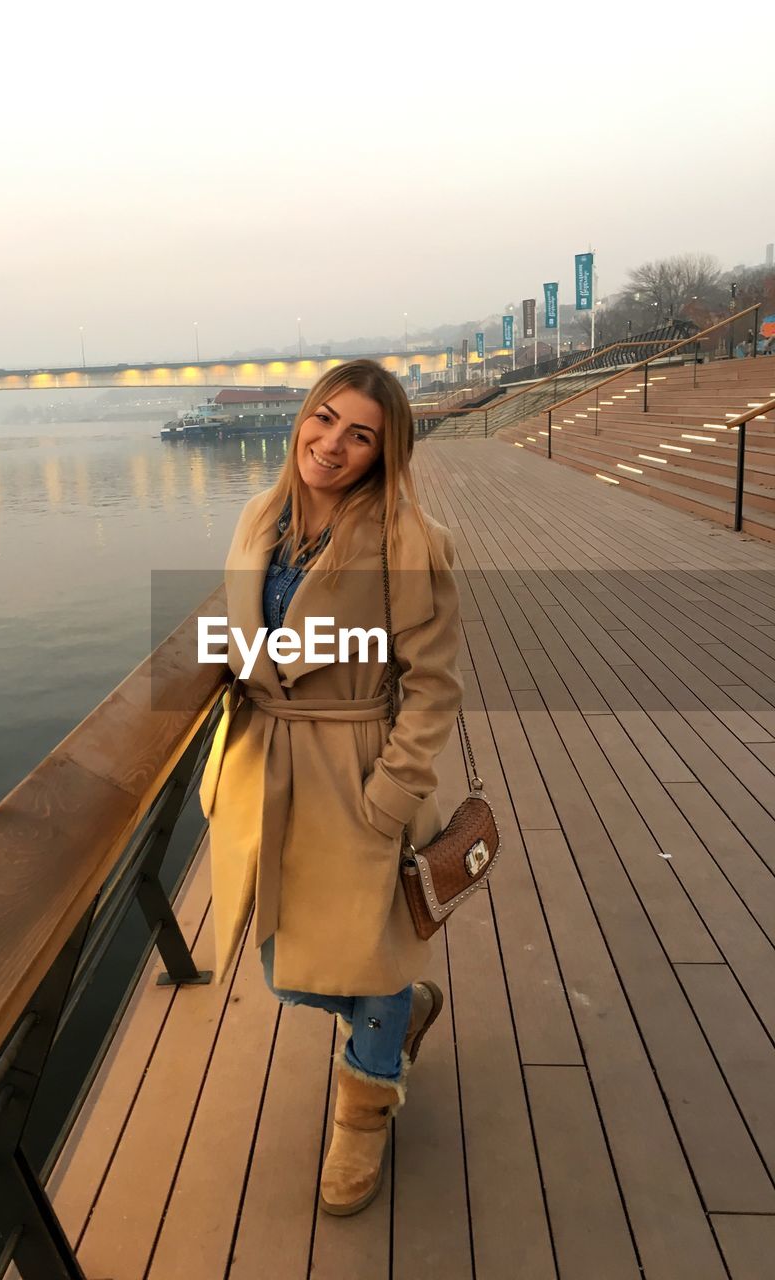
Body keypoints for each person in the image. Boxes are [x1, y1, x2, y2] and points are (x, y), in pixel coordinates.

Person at [198, 358, 464, 1217]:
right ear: (300, 418)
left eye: (361, 435)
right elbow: (242, 623)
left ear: (387, 454)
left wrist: (394, 790)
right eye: (324, 419)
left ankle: (365, 1112)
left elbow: (432, 683)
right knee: (286, 967)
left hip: (357, 768)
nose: (332, 444)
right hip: (270, 766)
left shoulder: (405, 542)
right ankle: (401, 1010)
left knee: (369, 948)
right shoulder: (256, 518)